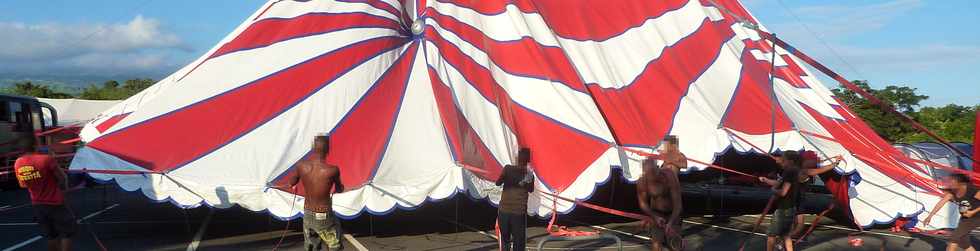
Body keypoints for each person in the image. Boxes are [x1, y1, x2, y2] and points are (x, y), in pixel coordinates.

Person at [288, 135, 344, 251]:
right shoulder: (333, 170)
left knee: (311, 246)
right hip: (324, 214)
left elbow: (291, 182)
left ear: (313, 148)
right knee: (334, 245)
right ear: (328, 150)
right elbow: (339, 189)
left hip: (308, 212)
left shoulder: (301, 166)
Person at [14, 143, 74, 251]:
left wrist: (35, 177)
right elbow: (63, 178)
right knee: (67, 232)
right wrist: (64, 190)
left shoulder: (18, 162)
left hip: (38, 204)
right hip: (55, 202)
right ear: (35, 146)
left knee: (51, 235)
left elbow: (22, 185)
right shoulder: (46, 159)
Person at [789, 151, 841, 240]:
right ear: (806, 161)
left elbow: (818, 163)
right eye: (813, 160)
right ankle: (787, 239)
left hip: (792, 198)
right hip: (796, 199)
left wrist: (831, 158)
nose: (815, 163)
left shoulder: (796, 168)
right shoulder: (804, 170)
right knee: (800, 223)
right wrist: (835, 164)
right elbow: (818, 170)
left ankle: (787, 239)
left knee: (794, 220)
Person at [758, 150, 803, 251]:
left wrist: (774, 190)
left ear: (790, 161)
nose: (782, 162)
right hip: (791, 208)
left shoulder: (789, 172)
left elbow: (783, 192)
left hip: (784, 209)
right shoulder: (795, 171)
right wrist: (766, 180)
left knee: (771, 234)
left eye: (784, 160)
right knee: (785, 235)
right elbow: (779, 182)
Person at [923, 173, 980, 251]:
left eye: (952, 181)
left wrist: (972, 212)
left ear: (960, 182)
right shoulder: (952, 192)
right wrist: (930, 216)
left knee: (954, 238)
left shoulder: (971, 189)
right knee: (964, 243)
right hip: (965, 218)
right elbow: (941, 202)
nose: (950, 183)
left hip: (977, 217)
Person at [637, 156, 683, 251]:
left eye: (653, 172)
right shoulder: (642, 182)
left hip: (673, 213)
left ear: (658, 168)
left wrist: (670, 222)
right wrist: (654, 216)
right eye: (648, 173)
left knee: (676, 245)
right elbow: (643, 204)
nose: (651, 176)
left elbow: (678, 205)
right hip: (656, 213)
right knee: (656, 245)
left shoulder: (670, 176)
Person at [495, 148, 533, 251]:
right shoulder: (529, 174)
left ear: (517, 159)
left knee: (505, 240)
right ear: (528, 160)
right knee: (519, 242)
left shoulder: (507, 169)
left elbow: (497, 183)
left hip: (504, 210)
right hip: (518, 212)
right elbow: (531, 189)